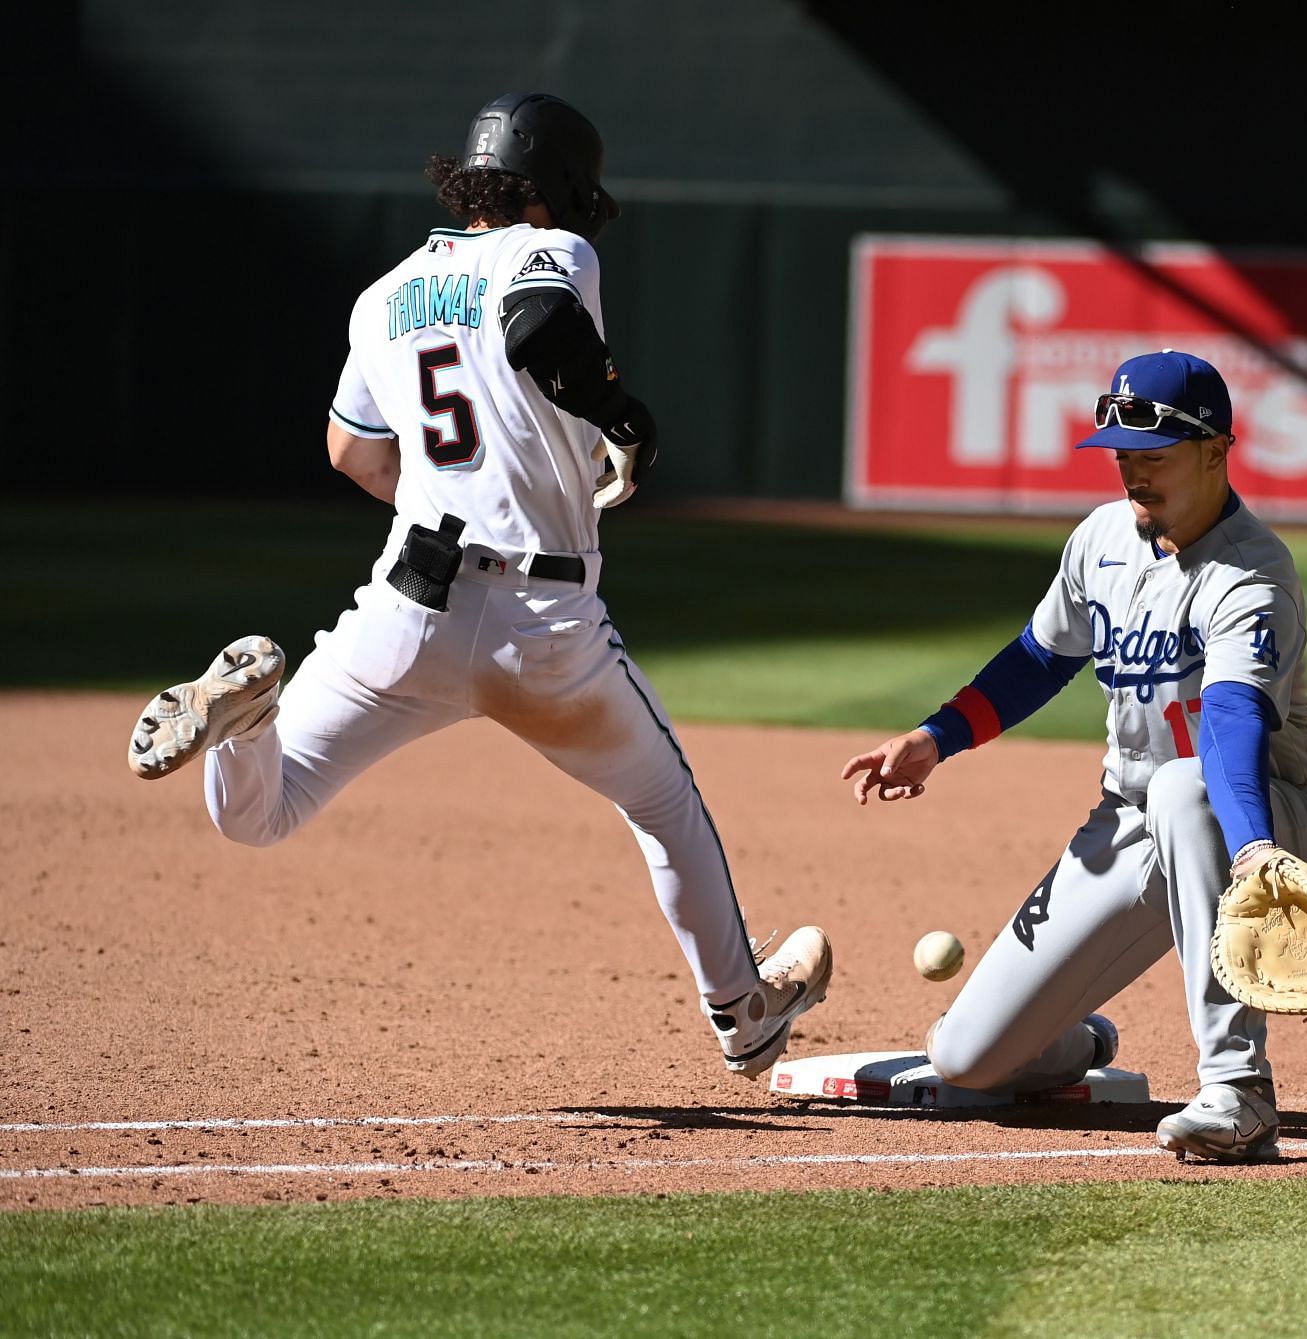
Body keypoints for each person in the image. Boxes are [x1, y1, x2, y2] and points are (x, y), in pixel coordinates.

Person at [125, 91, 830, 1077]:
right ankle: (741, 1012)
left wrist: (452, 487)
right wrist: (622, 416)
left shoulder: (382, 295)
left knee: (260, 812)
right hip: (545, 624)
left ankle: (245, 718)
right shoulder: (557, 252)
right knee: (662, 804)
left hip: (407, 604)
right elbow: (539, 322)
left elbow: (347, 451)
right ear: (559, 192)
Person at [840, 350, 1307, 1162]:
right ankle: (1080, 1039)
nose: (1132, 474)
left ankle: (1239, 1092)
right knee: (966, 1059)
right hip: (1129, 822)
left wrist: (1252, 846)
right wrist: (936, 738)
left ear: (1217, 450)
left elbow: (1230, 723)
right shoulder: (1103, 539)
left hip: (1263, 814)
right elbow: (1041, 657)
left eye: (1154, 457)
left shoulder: (1253, 572)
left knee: (1186, 788)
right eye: (1121, 454)